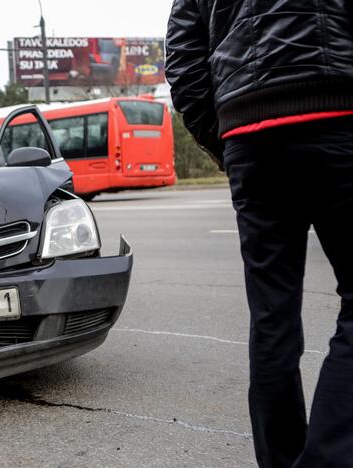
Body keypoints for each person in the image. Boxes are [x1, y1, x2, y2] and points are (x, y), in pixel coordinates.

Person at [165, 1, 353, 466]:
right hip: (338, 112)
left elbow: (183, 57)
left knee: (272, 316)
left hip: (249, 133)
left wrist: (226, 138)